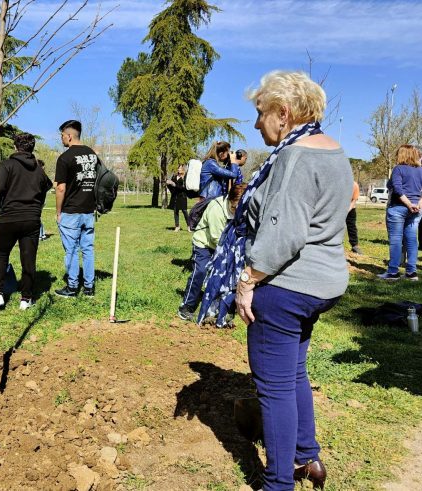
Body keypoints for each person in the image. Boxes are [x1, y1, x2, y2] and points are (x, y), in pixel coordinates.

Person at [199, 71, 352, 490]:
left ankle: (278, 483)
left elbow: (284, 232)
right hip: (323, 282)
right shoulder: (333, 149)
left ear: (283, 113)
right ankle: (307, 459)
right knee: (294, 373)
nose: (255, 124)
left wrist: (247, 281)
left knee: (275, 388)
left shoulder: (295, 157)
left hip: (287, 286)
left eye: (260, 113)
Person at [0, 133, 53, 310]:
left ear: (15, 147)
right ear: (32, 148)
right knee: (28, 259)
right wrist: (37, 207)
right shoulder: (38, 170)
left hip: (9, 218)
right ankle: (26, 298)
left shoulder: (6, 166)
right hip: (31, 220)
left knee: (2, 254)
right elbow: (47, 186)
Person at [177, 183, 246, 324]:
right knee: (200, 271)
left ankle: (221, 309)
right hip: (205, 245)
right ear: (229, 200)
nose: (236, 210)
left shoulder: (241, 209)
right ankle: (187, 307)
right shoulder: (217, 209)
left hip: (225, 247)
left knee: (228, 276)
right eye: (234, 207)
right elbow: (217, 238)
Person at [54, 119, 99, 298]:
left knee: (71, 250)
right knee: (88, 248)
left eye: (62, 136)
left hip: (71, 212)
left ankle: (72, 287)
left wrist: (58, 212)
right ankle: (89, 287)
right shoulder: (93, 155)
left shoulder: (65, 158)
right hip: (89, 211)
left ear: (70, 136)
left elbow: (60, 188)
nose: (62, 139)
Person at [377, 145, 422, 280]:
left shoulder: (398, 169)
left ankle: (392, 272)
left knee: (396, 240)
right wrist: (418, 204)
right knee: (412, 240)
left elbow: (397, 189)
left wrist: (408, 204)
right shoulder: (420, 170)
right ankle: (411, 273)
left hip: (398, 207)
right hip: (416, 209)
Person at [167, 165, 190, 231]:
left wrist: (174, 185)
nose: (178, 169)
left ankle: (189, 226)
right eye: (178, 168)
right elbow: (172, 187)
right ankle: (177, 226)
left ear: (183, 169)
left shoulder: (185, 177)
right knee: (175, 211)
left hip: (182, 196)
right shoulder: (174, 176)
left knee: (184, 211)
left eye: (180, 168)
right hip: (175, 196)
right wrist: (168, 184)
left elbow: (184, 188)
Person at [346, 181, 361, 254]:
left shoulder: (355, 185)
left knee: (352, 227)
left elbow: (354, 200)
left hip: (351, 208)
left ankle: (355, 245)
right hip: (338, 208)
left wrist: (347, 210)